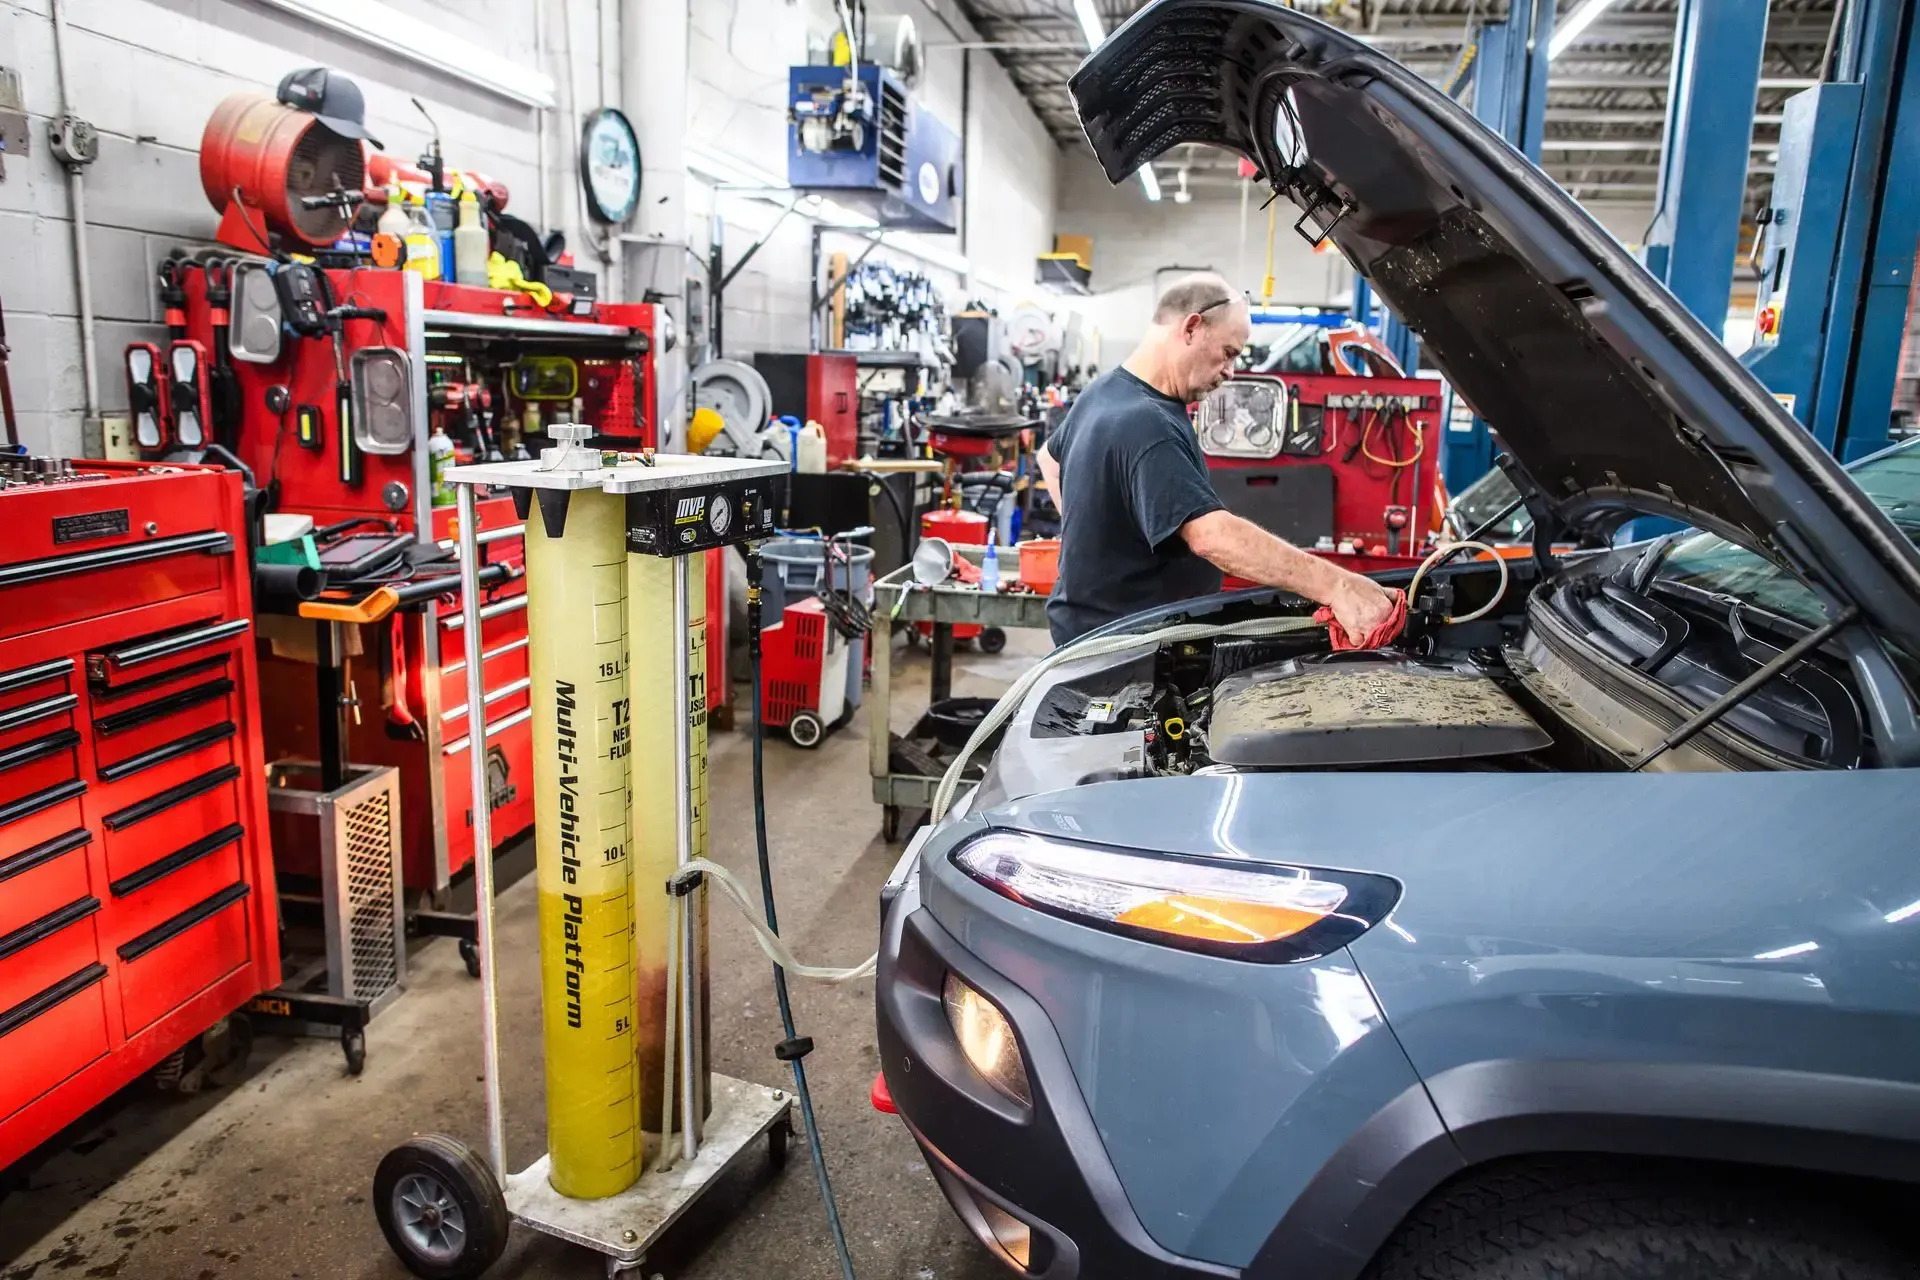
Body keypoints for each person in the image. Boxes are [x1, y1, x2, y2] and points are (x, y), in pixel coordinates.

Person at [1038, 272, 1397, 646]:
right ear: (1192, 327)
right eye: (1228, 353)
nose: (1230, 371)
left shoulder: (1103, 391)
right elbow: (1211, 537)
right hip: (1126, 649)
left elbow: (1049, 459)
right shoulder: (1148, 424)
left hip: (1088, 631)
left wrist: (1098, 535)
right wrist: (1337, 585)